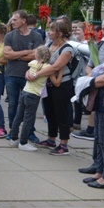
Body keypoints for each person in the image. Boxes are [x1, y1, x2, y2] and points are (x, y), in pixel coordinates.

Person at [28, 21, 75, 155]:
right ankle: (51, 138)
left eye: (52, 30)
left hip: (62, 85)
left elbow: (55, 67)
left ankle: (64, 144)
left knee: (62, 113)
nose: (49, 32)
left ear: (60, 33)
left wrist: (36, 74)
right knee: (50, 112)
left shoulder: (67, 49)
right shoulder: (49, 45)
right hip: (48, 84)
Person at [3, 10, 44, 143]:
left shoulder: (36, 36)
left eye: (15, 20)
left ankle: (29, 133)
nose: (12, 22)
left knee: (29, 107)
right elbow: (7, 55)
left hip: (30, 76)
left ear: (24, 21)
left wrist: (16, 55)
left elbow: (38, 55)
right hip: (11, 74)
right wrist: (27, 52)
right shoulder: (9, 36)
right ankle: (12, 131)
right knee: (13, 105)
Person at [8, 46, 57, 151]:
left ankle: (14, 138)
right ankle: (23, 142)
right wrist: (60, 73)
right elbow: (56, 83)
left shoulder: (32, 64)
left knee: (18, 116)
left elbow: (29, 71)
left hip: (25, 91)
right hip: (34, 95)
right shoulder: (48, 68)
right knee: (28, 119)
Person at [77, 18, 104, 174]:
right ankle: (98, 166)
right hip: (97, 91)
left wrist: (91, 81)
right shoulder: (100, 45)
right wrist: (92, 76)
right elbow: (89, 66)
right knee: (99, 135)